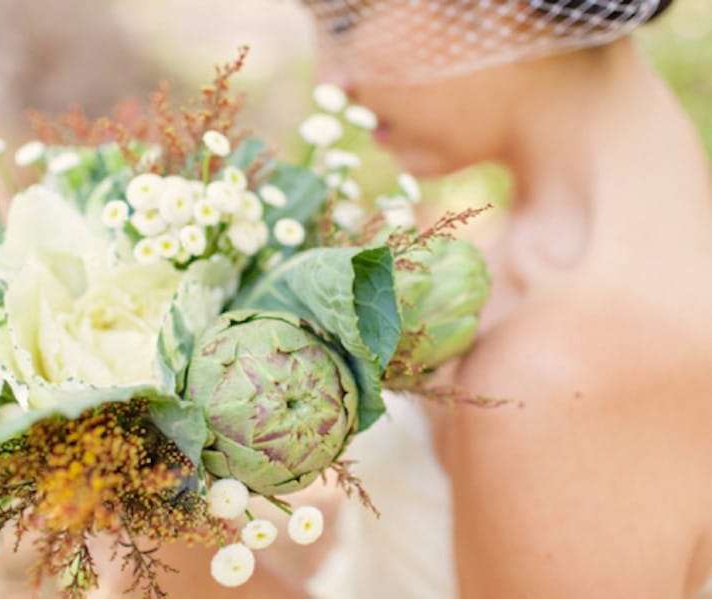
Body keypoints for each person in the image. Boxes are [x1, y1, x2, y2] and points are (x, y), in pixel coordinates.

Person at [302, 0, 712, 597]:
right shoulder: (534, 248)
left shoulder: (563, 375)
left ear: (499, 7)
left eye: (344, 21)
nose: (328, 83)